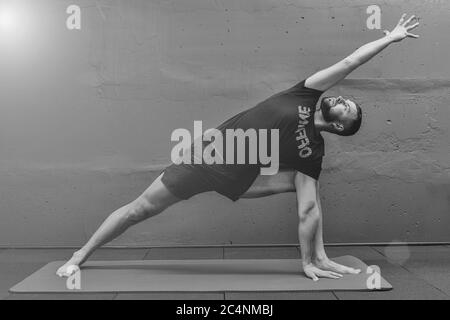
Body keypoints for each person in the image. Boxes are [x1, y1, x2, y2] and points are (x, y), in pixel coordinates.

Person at [57, 14, 419, 281]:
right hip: (205, 160)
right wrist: (389, 38)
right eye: (344, 98)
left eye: (347, 107)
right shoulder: (306, 93)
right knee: (138, 210)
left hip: (241, 180)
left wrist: (306, 260)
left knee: (309, 189)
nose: (341, 98)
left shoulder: (314, 149)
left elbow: (308, 208)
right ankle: (81, 255)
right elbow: (350, 61)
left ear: (340, 125)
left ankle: (317, 258)